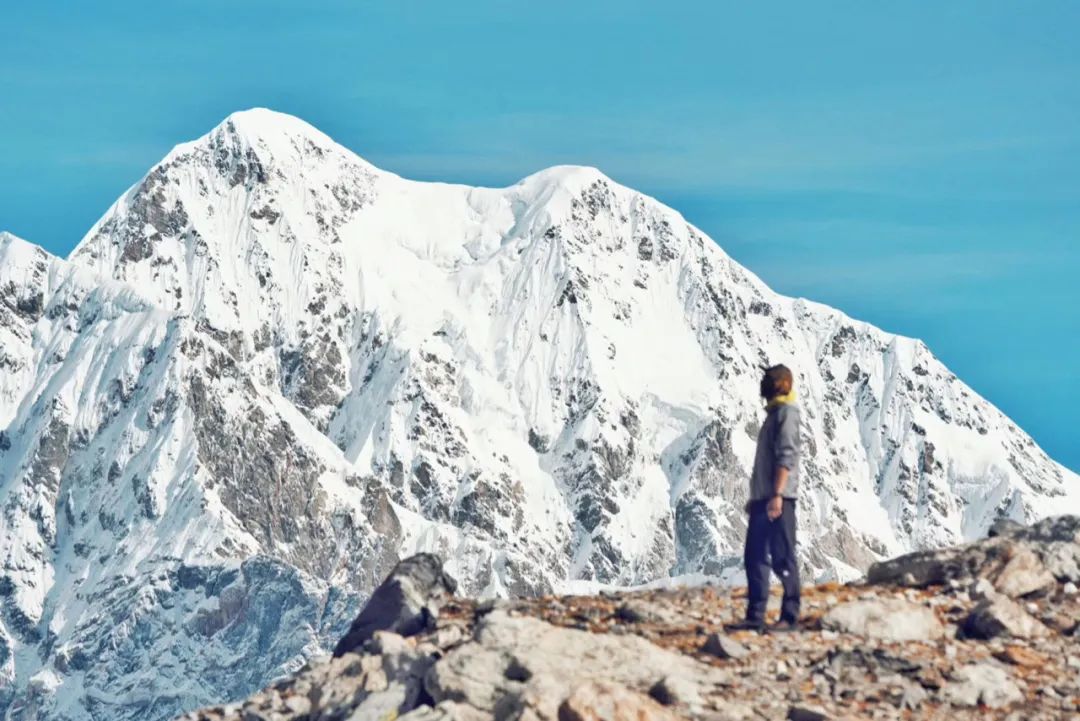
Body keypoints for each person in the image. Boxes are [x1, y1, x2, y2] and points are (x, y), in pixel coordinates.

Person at [727, 364, 802, 633]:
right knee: (755, 557)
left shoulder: (786, 414)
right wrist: (758, 497)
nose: (764, 383)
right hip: (765, 499)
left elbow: (786, 456)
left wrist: (777, 495)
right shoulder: (774, 414)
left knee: (782, 557)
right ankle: (755, 617)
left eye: (768, 379)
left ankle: (790, 617)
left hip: (779, 500)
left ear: (781, 384)